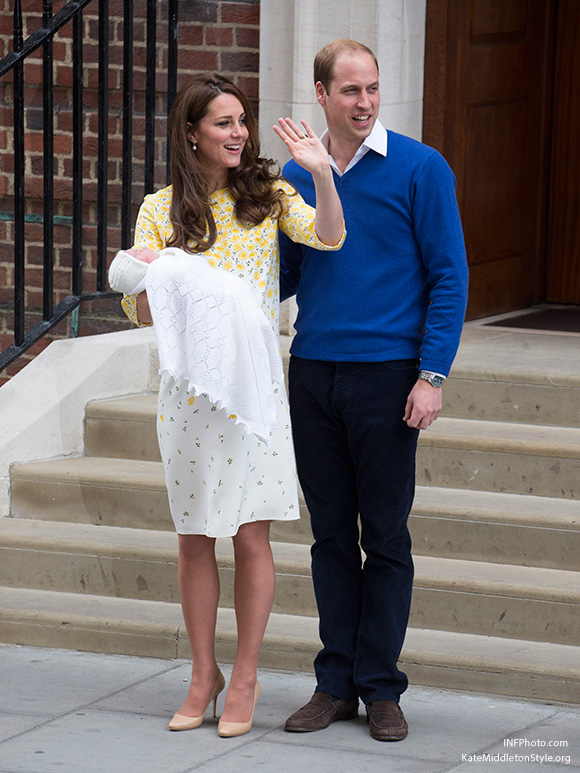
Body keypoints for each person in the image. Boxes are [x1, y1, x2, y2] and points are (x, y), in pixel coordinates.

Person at [111, 73, 345, 738]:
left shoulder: (269, 196)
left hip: (255, 390)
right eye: (223, 122)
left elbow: (329, 237)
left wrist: (323, 175)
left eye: (242, 120)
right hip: (188, 394)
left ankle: (244, 676)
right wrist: (151, 268)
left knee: (250, 533)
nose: (239, 132)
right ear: (192, 133)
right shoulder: (159, 208)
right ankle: (200, 674)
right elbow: (143, 309)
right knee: (193, 537)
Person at [279, 40, 469, 741]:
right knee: (330, 534)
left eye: (373, 89)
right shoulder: (300, 175)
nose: (364, 103)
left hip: (391, 374)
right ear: (322, 96)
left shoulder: (421, 168)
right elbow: (285, 273)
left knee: (384, 536)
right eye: (350, 91)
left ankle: (381, 686)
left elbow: (449, 275)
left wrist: (432, 373)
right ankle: (335, 683)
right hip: (316, 370)